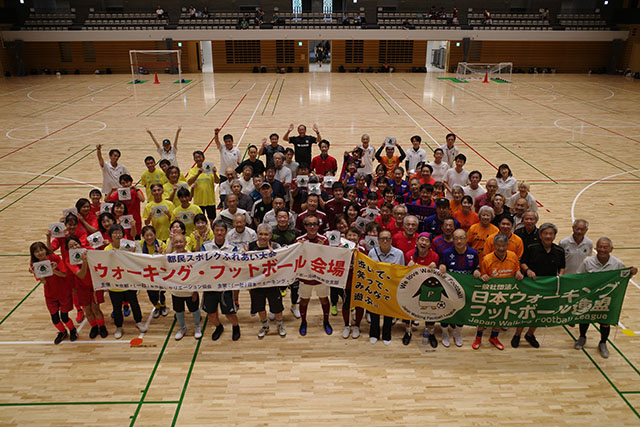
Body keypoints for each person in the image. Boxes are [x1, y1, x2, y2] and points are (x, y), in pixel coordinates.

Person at [575, 237, 638, 358]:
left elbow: (623, 277)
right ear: (596, 248)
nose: (602, 250)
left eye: (605, 247)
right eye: (600, 247)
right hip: (590, 297)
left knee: (605, 322)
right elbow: (579, 276)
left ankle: (603, 343)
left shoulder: (617, 263)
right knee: (585, 318)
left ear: (611, 249)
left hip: (608, 299)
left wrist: (632, 273)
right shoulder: (587, 262)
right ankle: (582, 337)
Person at [512, 223, 565, 348]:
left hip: (548, 287)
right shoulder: (531, 247)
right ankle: (517, 334)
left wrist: (560, 276)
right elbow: (522, 263)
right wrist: (528, 270)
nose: (548, 236)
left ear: (554, 236)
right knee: (525, 311)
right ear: (540, 235)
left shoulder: (559, 251)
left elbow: (562, 267)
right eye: (545, 233)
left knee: (539, 313)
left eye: (551, 234)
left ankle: (530, 334)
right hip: (531, 286)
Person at [473, 234, 523, 350]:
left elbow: (517, 270)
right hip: (490, 294)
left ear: (507, 245)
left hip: (506, 294)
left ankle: (494, 337)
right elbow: (482, 275)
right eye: (498, 246)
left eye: (504, 246)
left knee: (499, 317)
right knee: (483, 317)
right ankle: (478, 338)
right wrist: (483, 276)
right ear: (494, 245)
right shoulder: (487, 259)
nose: (501, 248)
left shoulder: (513, 256)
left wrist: (518, 273)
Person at [104, 224, 147, 339]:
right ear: (110, 235)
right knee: (117, 307)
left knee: (134, 303)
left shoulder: (129, 246)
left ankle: (138, 321)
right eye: (115, 233)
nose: (117, 235)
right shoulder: (107, 249)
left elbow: (136, 262)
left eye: (119, 232)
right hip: (115, 284)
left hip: (129, 282)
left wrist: (132, 253)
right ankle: (119, 327)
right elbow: (106, 266)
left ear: (123, 234)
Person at [29, 241, 77, 344]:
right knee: (55, 318)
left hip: (63, 292)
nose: (40, 253)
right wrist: (36, 273)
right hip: (50, 294)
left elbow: (64, 275)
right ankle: (63, 332)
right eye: (36, 252)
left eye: (41, 250)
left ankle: (73, 330)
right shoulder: (34, 265)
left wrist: (53, 270)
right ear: (33, 254)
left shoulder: (55, 258)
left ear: (45, 250)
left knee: (64, 317)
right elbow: (43, 281)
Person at [438, 229, 479, 347]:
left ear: (466, 239)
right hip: (449, 290)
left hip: (465, 290)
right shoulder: (446, 253)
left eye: (461, 238)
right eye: (456, 238)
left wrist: (477, 270)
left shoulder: (473, 253)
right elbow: (441, 266)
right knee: (446, 312)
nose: (459, 241)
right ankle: (445, 333)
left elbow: (477, 267)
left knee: (461, 313)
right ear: (453, 240)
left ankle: (458, 333)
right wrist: (441, 266)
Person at [201, 220, 241, 341]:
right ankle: (219, 327)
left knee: (229, 314)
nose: (219, 233)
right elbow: (199, 262)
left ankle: (236, 327)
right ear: (213, 231)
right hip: (210, 285)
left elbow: (238, 263)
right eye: (217, 230)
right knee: (211, 314)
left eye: (222, 230)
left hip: (225, 286)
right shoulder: (205, 246)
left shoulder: (232, 248)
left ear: (226, 232)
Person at [295, 214, 332, 336]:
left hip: (320, 277)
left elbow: (329, 258)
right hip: (305, 277)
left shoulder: (324, 240)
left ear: (318, 226)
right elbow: (296, 259)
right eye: (309, 224)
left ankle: (326, 321)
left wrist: (321, 248)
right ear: (305, 226)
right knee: (304, 301)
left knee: (324, 299)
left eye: (315, 224)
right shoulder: (299, 240)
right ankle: (303, 322)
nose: (312, 227)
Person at [64, 236, 107, 338]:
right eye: (71, 246)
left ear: (80, 244)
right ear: (68, 250)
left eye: (76, 244)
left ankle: (102, 327)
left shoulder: (89, 251)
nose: (75, 247)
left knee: (95, 309)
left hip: (95, 285)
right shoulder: (69, 260)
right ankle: (94, 327)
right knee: (87, 310)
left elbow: (103, 259)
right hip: (82, 287)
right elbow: (81, 275)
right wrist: (85, 262)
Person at [247, 224, 286, 338]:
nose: (263, 237)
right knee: (260, 307)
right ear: (257, 234)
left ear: (270, 235)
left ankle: (280, 325)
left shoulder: (276, 246)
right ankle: (265, 326)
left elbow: (283, 261)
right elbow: (244, 264)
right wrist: (244, 256)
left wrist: (274, 255)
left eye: (266, 234)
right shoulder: (250, 246)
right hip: (257, 283)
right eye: (261, 234)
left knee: (277, 307)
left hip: (272, 283)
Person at [368, 230, 405, 345]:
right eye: (382, 239)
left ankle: (386, 334)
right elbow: (368, 270)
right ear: (378, 240)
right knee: (374, 312)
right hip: (375, 287)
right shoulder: (372, 252)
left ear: (391, 240)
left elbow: (402, 272)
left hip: (390, 287)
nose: (385, 241)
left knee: (388, 313)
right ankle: (374, 333)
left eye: (387, 239)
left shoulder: (399, 253)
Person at [165, 233, 202, 340]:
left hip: (190, 291)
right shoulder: (171, 257)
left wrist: (194, 291)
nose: (179, 244)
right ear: (173, 243)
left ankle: (197, 327)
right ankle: (182, 328)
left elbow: (196, 275)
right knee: (179, 311)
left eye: (181, 241)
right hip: (177, 292)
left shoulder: (191, 257)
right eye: (176, 242)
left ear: (185, 243)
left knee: (194, 310)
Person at [271, 208, 301, 318]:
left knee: (294, 288)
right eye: (280, 217)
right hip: (276, 266)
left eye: (284, 217)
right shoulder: (271, 232)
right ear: (276, 218)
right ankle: (275, 308)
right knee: (275, 289)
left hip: (292, 265)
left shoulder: (295, 232)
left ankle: (294, 306)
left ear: (288, 219)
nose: (282, 219)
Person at [139, 226, 168, 318]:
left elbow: (166, 259)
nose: (149, 238)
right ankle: (157, 307)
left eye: (151, 235)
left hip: (160, 273)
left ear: (155, 235)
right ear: (143, 236)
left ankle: (163, 306)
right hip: (147, 274)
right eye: (146, 235)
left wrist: (161, 253)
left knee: (161, 292)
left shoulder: (161, 244)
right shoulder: (140, 245)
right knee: (151, 293)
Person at [106, 174, 144, 238]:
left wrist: (137, 190)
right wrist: (111, 191)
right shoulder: (120, 192)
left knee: (137, 237)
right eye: (123, 183)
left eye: (127, 182)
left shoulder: (136, 191)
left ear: (131, 182)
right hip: (122, 220)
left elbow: (142, 200)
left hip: (135, 219)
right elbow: (107, 200)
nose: (125, 184)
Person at [187, 150, 219, 225]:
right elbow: (189, 182)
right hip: (198, 201)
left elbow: (217, 181)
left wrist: (214, 173)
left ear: (203, 158)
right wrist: (198, 174)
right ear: (194, 159)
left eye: (199, 157)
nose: (198, 159)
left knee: (212, 221)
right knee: (200, 222)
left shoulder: (210, 169)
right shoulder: (192, 170)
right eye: (196, 157)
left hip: (210, 201)